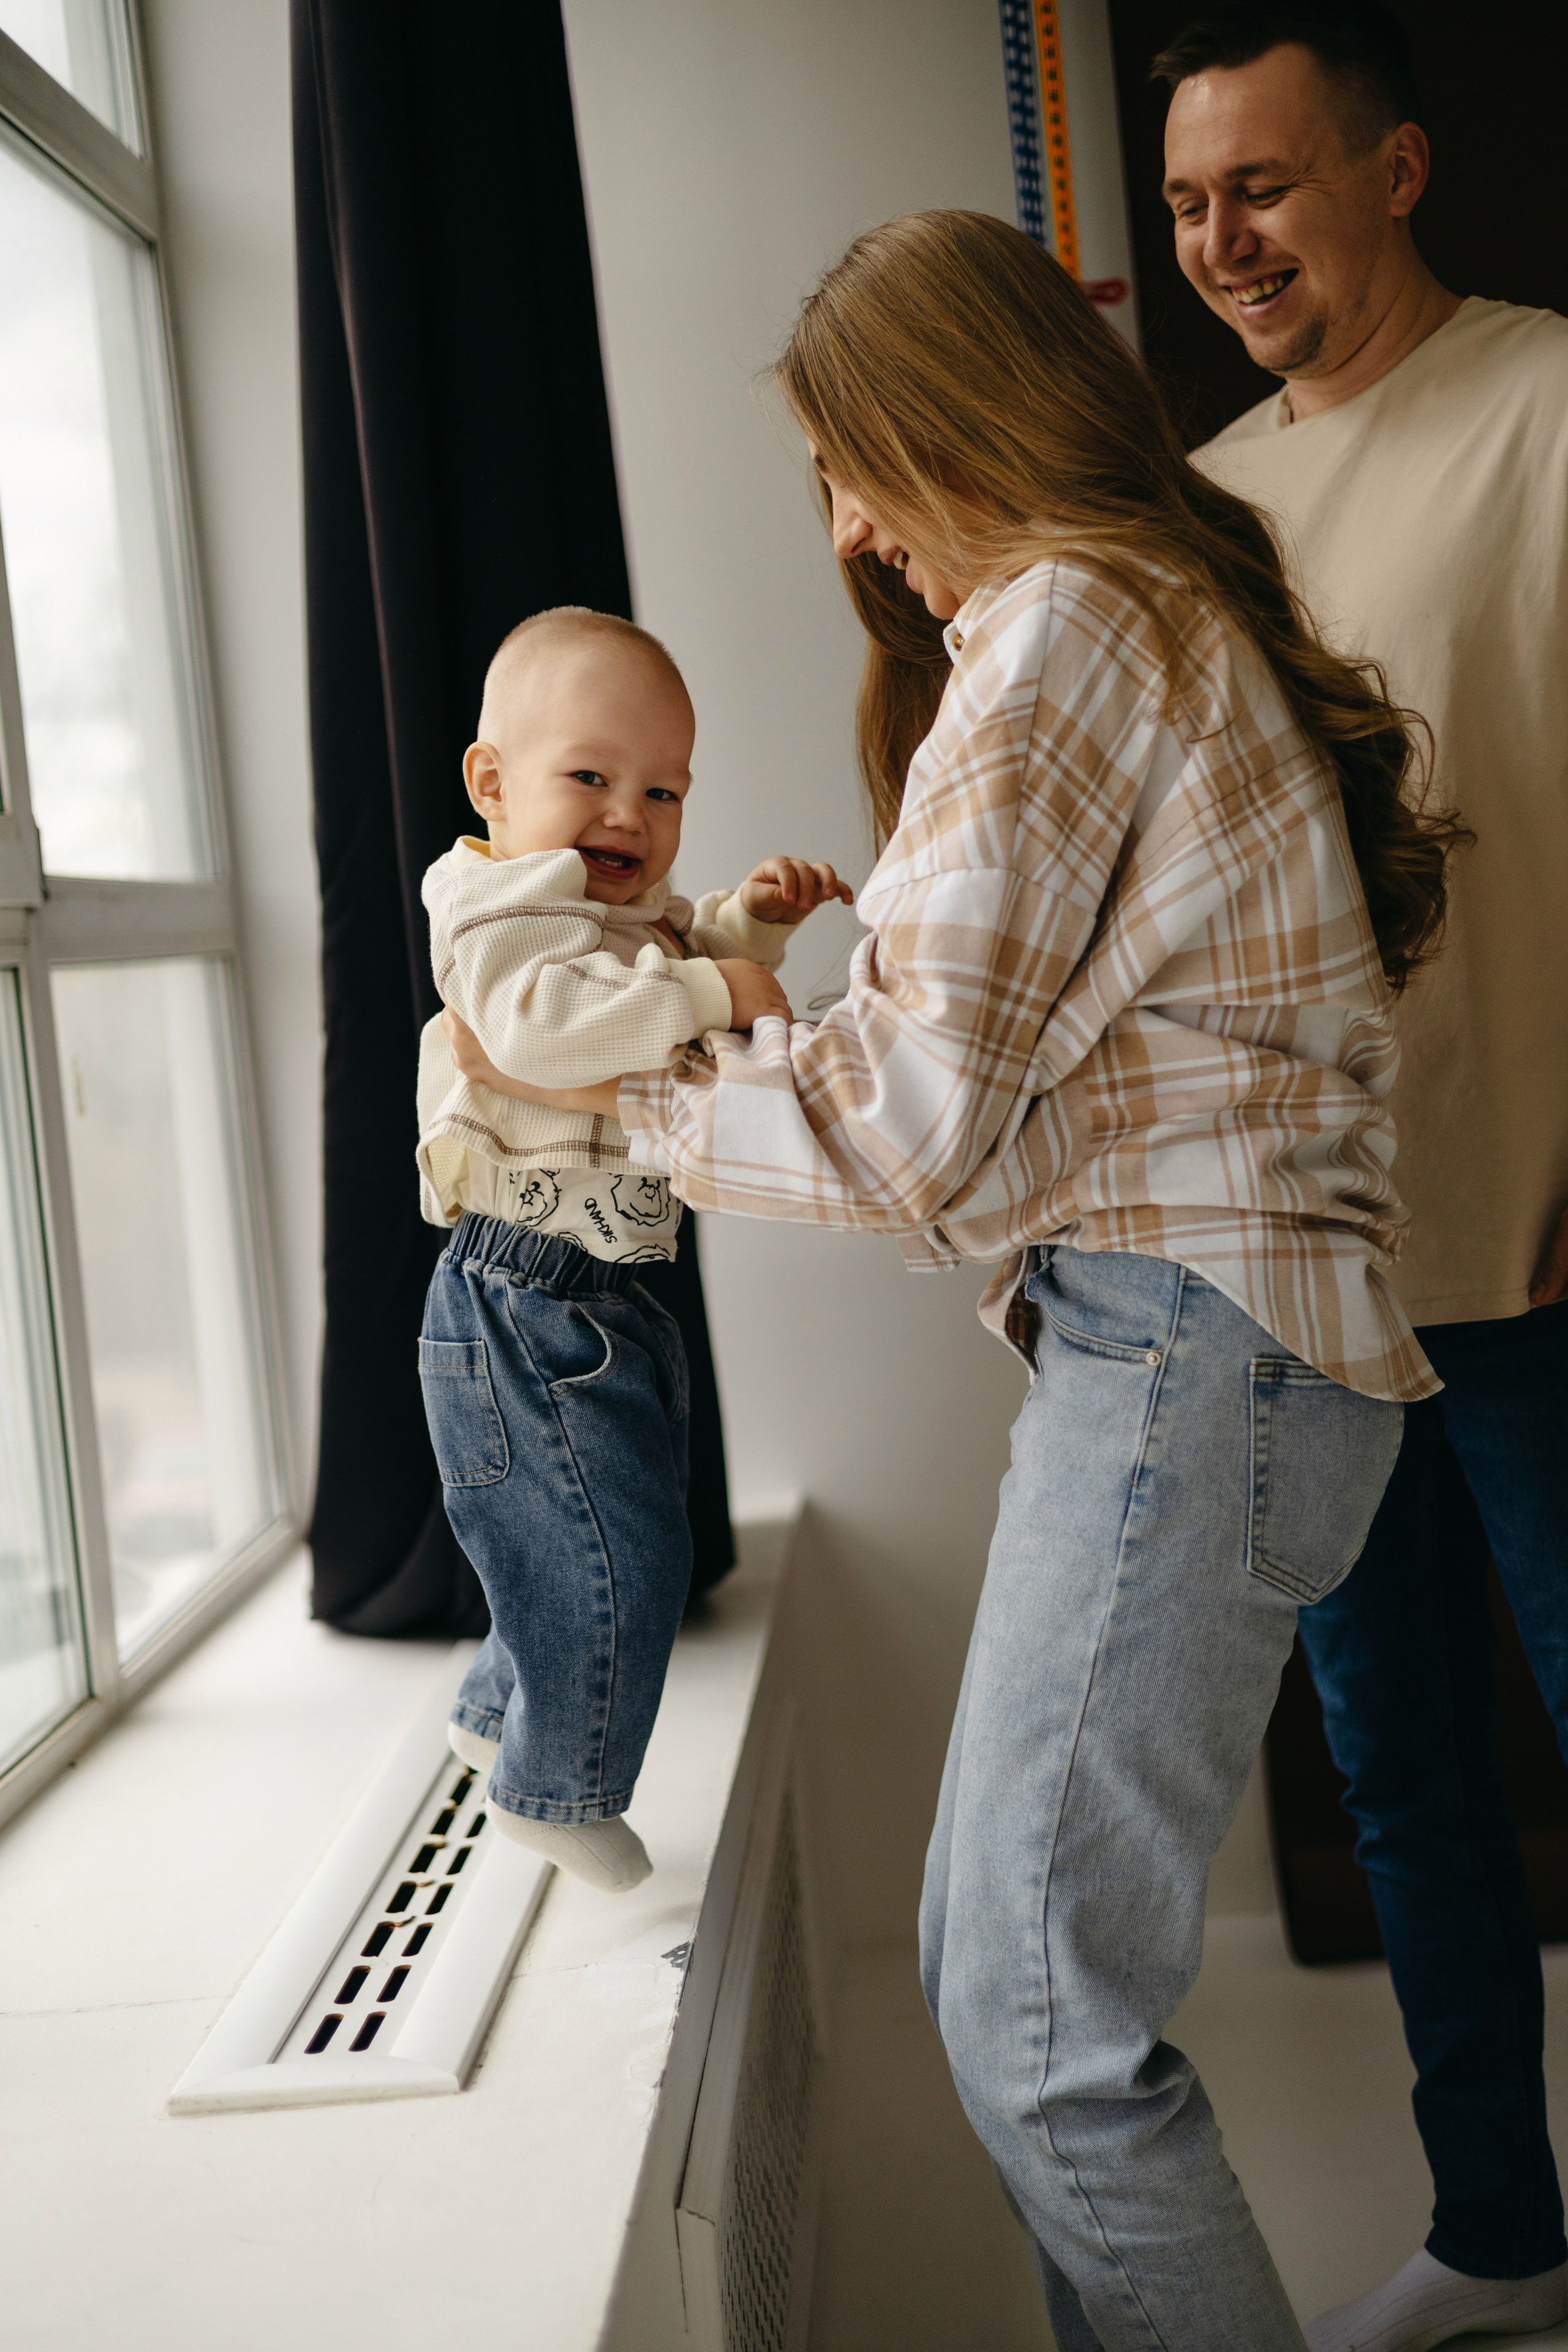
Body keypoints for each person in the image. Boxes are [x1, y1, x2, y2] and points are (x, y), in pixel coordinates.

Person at [445, 210, 1464, 2348]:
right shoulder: (1135, 613)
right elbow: (950, 1134)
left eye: (850, 461)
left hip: (1195, 1347)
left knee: (1031, 2029)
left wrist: (586, 1101)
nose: (845, 522)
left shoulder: (1065, 624)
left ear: (945, 421)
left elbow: (904, 1127)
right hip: (1199, 1343)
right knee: (1009, 1989)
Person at [1158, 4, 1568, 2343]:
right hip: (1312, 1276)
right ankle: (1502, 2230)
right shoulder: (1207, 506)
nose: (1224, 242)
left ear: (1397, 170)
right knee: (1402, 1781)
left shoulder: (1545, 404)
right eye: (1195, 201)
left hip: (1544, 1224)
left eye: (1269, 188)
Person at [416, 605, 848, 1890]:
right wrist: (720, 993)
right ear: (494, 784)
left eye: (661, 790)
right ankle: (556, 1790)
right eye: (590, 778)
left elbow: (663, 965)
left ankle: (496, 1713)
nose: (627, 816)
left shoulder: (621, 919)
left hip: (596, 1292)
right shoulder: (498, 911)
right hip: (521, 1297)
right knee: (613, 1551)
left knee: (584, 1533)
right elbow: (552, 1031)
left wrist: (745, 929)